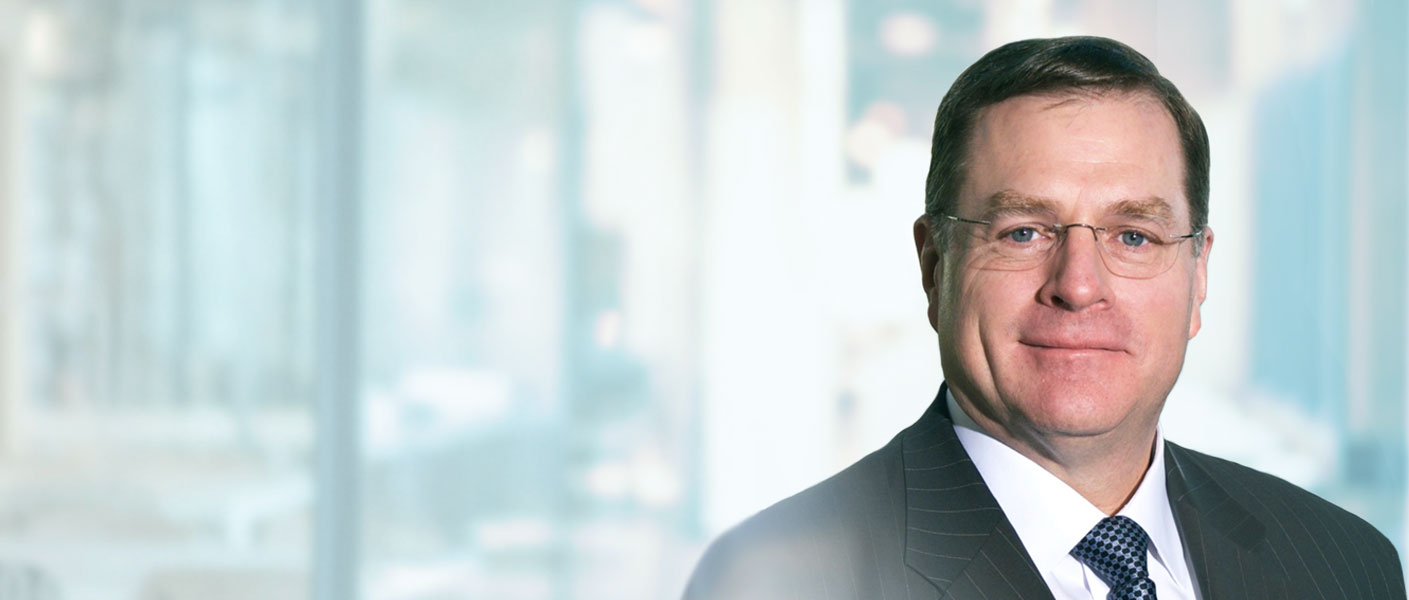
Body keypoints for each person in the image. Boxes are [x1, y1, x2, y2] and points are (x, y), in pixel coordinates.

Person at [683, 36, 1406, 600]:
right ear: (934, 266)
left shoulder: (1344, 565)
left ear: (1198, 275)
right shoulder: (778, 577)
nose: (1079, 286)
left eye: (1134, 236)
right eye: (1023, 232)